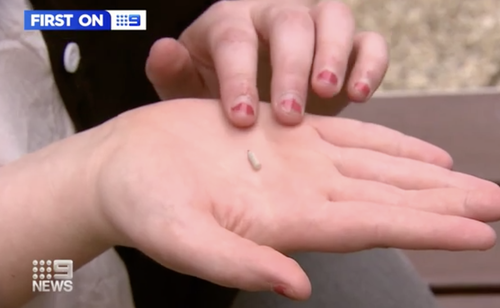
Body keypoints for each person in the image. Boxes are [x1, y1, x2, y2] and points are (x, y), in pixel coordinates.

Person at [1, 1, 499, 308]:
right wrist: (87, 185)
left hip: (237, 224)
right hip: (46, 275)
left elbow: (72, 20)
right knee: (58, 274)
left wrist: (260, 58)